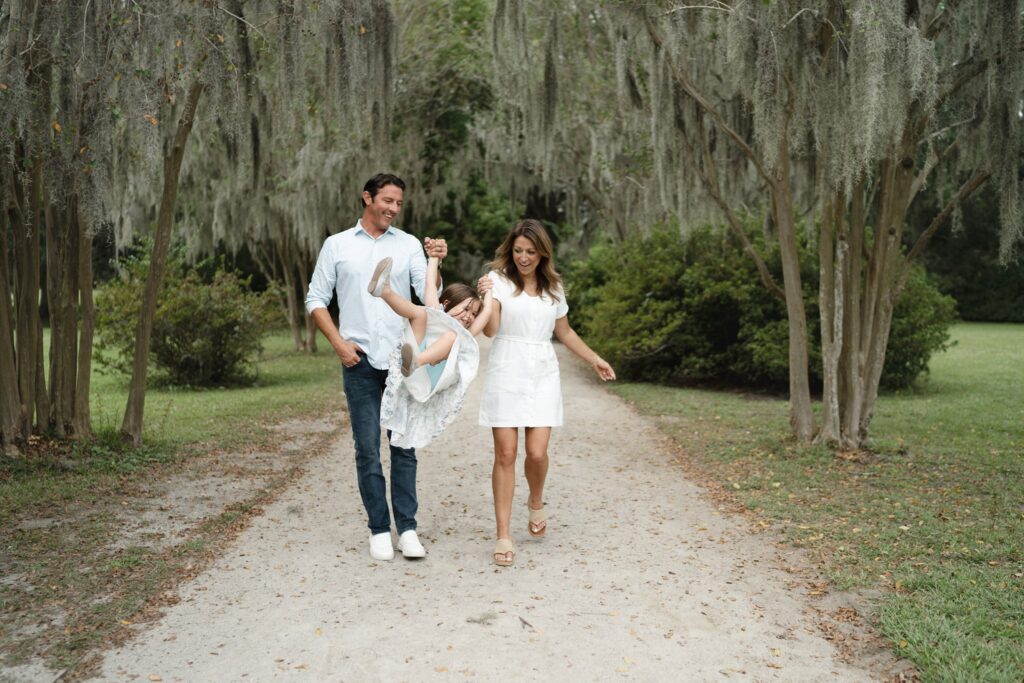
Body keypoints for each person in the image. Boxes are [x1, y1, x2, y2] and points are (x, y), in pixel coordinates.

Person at [305, 173, 446, 562]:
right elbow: (316, 299)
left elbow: (427, 296)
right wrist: (337, 343)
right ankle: (379, 529)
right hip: (360, 361)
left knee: (404, 447)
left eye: (399, 203)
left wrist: (436, 261)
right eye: (387, 201)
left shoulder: (408, 245)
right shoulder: (337, 246)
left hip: (402, 362)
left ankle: (409, 528)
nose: (393, 209)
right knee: (367, 449)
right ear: (367, 198)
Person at [478, 219, 616, 566]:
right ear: (511, 250)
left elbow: (565, 334)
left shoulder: (554, 288)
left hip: (541, 371)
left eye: (530, 252)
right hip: (507, 368)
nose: (523, 257)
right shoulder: (497, 280)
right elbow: (492, 330)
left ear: (542, 254)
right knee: (506, 454)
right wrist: (486, 298)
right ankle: (504, 534)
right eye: (518, 251)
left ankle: (536, 500)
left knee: (537, 453)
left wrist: (594, 359)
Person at [368, 251, 494, 448]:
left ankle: (416, 360)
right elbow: (429, 285)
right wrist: (433, 259)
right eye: (466, 309)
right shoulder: (436, 311)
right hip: (412, 369)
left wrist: (488, 293)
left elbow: (487, 312)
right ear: (447, 303)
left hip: (430, 379)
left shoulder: (465, 333)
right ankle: (383, 291)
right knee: (420, 313)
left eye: (473, 313)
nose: (470, 316)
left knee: (454, 336)